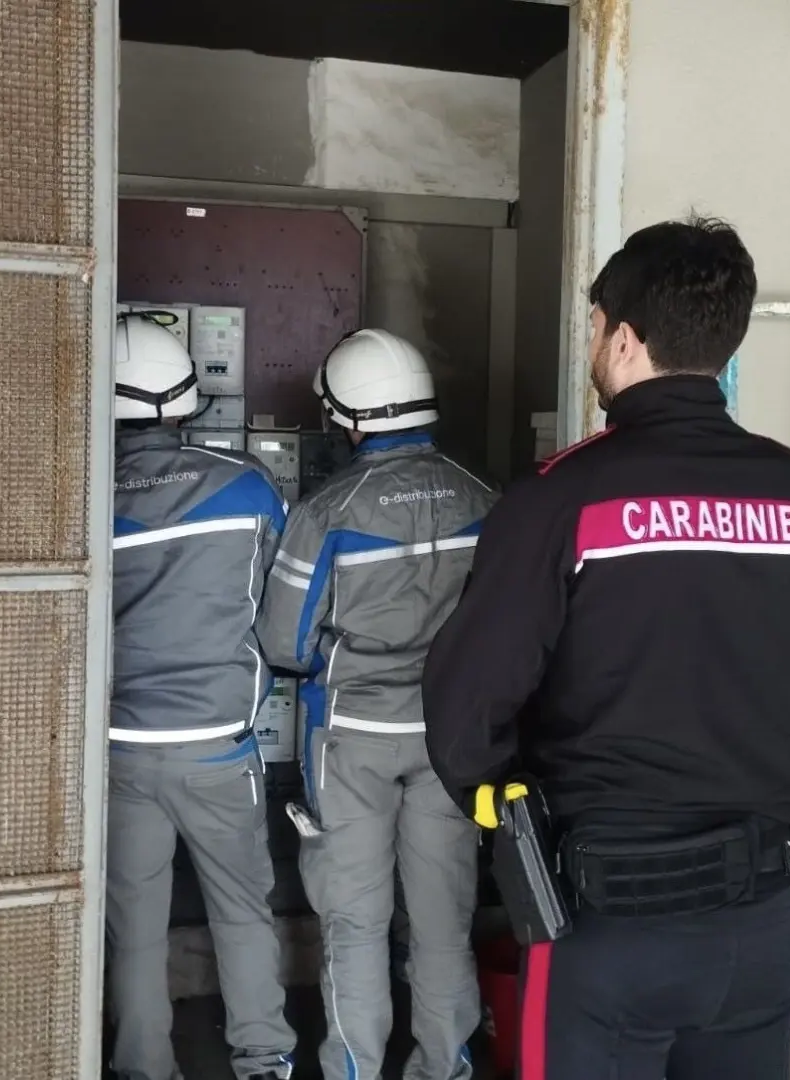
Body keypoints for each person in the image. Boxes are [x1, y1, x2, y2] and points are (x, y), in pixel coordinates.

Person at [422, 217, 790, 1080]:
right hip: (763, 917)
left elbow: (465, 707)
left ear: (622, 338)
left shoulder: (558, 501)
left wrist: (507, 818)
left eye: (592, 325)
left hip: (601, 922)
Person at [256, 328, 498, 1080]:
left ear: (348, 417)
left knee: (355, 922)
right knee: (443, 922)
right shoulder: (483, 497)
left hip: (352, 741)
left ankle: (356, 1071)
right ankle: (444, 1067)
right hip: (451, 739)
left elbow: (284, 643)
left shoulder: (326, 512)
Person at [107, 313, 296, 1080]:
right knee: (242, 910)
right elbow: (281, 604)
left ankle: (142, 1066)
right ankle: (263, 1060)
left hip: (120, 747)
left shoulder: (82, 493)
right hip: (219, 745)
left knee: (135, 925)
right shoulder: (246, 485)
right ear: (186, 400)